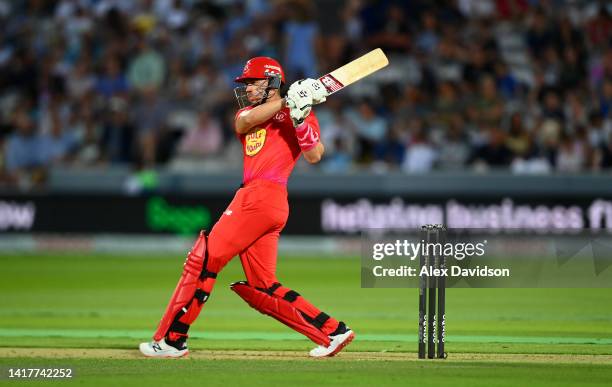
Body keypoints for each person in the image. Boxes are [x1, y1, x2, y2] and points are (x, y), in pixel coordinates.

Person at [139, 57, 354, 358]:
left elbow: (315, 154)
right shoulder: (251, 112)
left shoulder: (298, 112)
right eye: (247, 84)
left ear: (271, 83)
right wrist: (287, 104)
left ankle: (172, 340)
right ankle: (331, 331)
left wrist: (301, 117)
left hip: (262, 197)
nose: (248, 88)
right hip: (264, 201)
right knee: (263, 287)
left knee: (204, 260)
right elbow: (244, 122)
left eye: (253, 82)